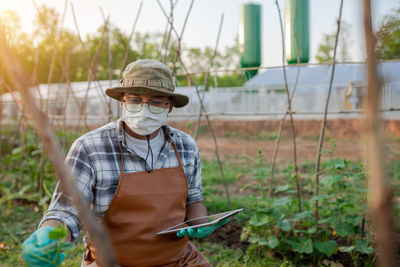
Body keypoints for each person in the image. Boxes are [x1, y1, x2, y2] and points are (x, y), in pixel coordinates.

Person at [22, 59, 227, 267]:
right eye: (135, 100)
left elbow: (194, 201)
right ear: (122, 102)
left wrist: (200, 223)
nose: (144, 110)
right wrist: (50, 237)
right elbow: (65, 211)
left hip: (178, 260)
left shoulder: (185, 146)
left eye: (156, 102)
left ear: (170, 106)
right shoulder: (90, 147)